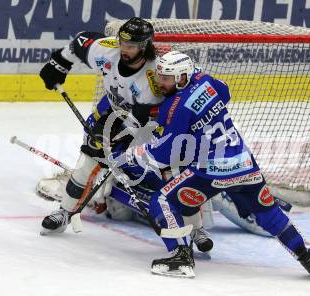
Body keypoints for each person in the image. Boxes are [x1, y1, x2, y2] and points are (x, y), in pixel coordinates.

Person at [122, 51, 310, 278]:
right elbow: (224, 93)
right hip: (245, 165)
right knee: (268, 213)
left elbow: (162, 155)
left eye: (166, 78)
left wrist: (130, 156)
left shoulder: (175, 108)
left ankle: (181, 257)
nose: (160, 83)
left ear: (181, 78)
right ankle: (306, 256)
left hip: (212, 171)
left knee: (162, 201)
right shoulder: (206, 81)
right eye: (160, 77)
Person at [37, 17, 214, 253]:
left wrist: (115, 138)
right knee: (91, 156)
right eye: (122, 43)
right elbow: (81, 42)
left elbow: (148, 120)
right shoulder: (108, 50)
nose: (124, 49)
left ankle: (196, 228)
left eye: (130, 46)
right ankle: (65, 212)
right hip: (113, 109)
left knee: (173, 172)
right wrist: (59, 63)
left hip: (149, 124)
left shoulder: (154, 77)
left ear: (145, 45)